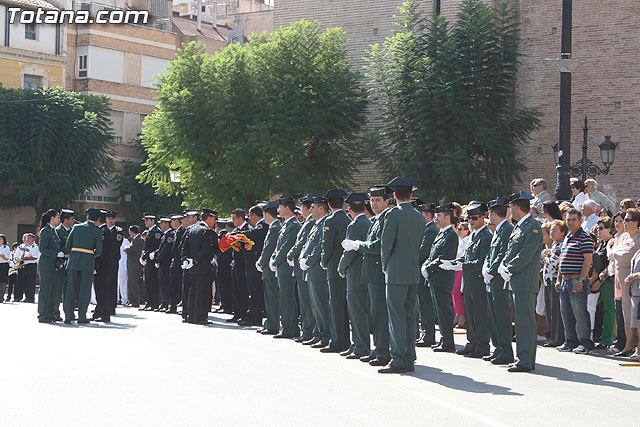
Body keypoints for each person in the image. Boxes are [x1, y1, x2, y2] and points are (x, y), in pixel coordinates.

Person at [371, 177, 425, 374]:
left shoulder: (393, 214)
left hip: (395, 272)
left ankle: (398, 358)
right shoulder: (419, 216)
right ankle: (409, 357)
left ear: (394, 195)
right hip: (412, 271)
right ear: (410, 195)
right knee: (410, 316)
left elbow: (386, 245)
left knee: (396, 317)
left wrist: (385, 265)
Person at [344, 184, 393, 366]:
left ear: (387, 201)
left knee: (380, 314)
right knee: (375, 314)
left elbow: (377, 245)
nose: (374, 203)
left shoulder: (386, 219)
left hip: (379, 273)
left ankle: (383, 351)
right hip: (372, 274)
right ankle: (378, 349)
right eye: (372, 200)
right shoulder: (375, 221)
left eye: (378, 200)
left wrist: (357, 245)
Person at [499, 191, 544, 372]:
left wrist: (509, 268)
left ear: (516, 207)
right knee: (520, 320)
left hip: (524, 281)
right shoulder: (519, 227)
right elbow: (511, 251)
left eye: (510, 208)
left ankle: (525, 360)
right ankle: (523, 358)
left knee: (525, 321)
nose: (510, 211)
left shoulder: (532, 226)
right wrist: (504, 264)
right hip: (517, 280)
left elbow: (526, 253)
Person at [448, 201, 492, 358]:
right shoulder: (473, 235)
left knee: (480, 316)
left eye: (474, 218)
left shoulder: (486, 236)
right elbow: (466, 257)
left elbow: (481, 261)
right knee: (470, 316)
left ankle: (482, 345)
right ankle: (472, 342)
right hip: (468, 282)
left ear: (483, 217)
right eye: (469, 219)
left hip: (478, 282)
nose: (471, 221)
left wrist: (462, 265)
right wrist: (454, 263)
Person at [555, 208, 595, 354]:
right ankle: (570, 341)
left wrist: (581, 279)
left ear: (580, 221)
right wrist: (558, 279)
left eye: (573, 220)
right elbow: (562, 260)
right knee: (566, 313)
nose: (571, 222)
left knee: (580, 313)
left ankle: (585, 342)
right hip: (565, 281)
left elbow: (587, 260)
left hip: (576, 280)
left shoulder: (585, 238)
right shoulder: (567, 237)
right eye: (568, 219)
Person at [337, 192, 372, 359]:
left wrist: (341, 266)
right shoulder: (369, 222)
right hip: (366, 273)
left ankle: (360, 346)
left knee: (357, 313)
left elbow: (349, 251)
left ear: (349, 210)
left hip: (355, 273)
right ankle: (357, 344)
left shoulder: (354, 225)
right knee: (362, 312)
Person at [421, 203, 459, 353]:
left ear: (448, 217)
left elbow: (444, 257)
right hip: (435, 277)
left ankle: (448, 342)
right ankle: (444, 339)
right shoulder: (442, 233)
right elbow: (432, 255)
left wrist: (428, 268)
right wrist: (426, 265)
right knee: (439, 310)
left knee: (444, 311)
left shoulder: (451, 235)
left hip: (442, 278)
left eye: (439, 216)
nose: (436, 219)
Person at [482, 197, 515, 365]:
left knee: (502, 317)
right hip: (492, 280)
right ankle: (498, 348)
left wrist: (491, 270)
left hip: (499, 280)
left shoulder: (507, 229)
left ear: (494, 214)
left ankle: (506, 351)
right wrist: (486, 268)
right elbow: (491, 254)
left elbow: (503, 254)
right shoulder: (499, 230)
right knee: (493, 316)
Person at [319, 189, 351, 353]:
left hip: (333, 267)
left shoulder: (330, 220)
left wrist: (324, 261)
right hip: (346, 266)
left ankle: (338, 341)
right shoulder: (348, 219)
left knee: (336, 305)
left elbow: (327, 245)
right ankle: (345, 340)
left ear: (329, 205)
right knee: (344, 305)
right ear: (343, 203)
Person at [299, 196, 331, 347]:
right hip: (311, 270)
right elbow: (307, 244)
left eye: (313, 207)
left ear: (321, 208)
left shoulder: (325, 223)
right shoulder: (316, 224)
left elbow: (320, 246)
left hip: (318, 269)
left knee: (321, 305)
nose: (310, 209)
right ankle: (318, 333)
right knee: (315, 306)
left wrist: (309, 260)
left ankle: (325, 335)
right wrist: (302, 258)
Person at [63, 208, 103, 324]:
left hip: (73, 261)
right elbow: (99, 251)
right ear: (98, 219)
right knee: (84, 290)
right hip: (87, 262)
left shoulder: (76, 227)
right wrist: (90, 254)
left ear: (87, 217)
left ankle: (68, 316)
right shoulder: (97, 231)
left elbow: (68, 245)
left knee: (70, 289)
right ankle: (81, 316)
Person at [287, 195, 318, 343]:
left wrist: (290, 254)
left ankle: (309, 331)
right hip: (301, 266)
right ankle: (308, 330)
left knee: (307, 302)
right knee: (305, 302)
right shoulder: (307, 222)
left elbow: (301, 243)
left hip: (304, 266)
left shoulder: (311, 222)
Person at [270, 196, 302, 338]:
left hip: (286, 267)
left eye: (280, 207)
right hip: (282, 266)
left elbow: (287, 246)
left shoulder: (294, 225)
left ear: (287, 208)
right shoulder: (286, 225)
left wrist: (275, 261)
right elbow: (279, 246)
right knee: (284, 298)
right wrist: (274, 258)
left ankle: (290, 328)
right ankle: (288, 327)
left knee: (288, 298)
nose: (278, 210)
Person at [610, 207, 640, 356]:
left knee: (635, 314)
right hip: (619, 279)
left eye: (627, 220)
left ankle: (637, 346)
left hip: (634, 281)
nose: (624, 223)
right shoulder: (623, 237)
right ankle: (628, 345)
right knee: (625, 312)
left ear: (636, 222)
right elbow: (613, 256)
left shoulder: (638, 238)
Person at [181, 209, 217, 325]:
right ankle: (200, 317)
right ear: (209, 218)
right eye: (213, 219)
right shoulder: (206, 231)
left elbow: (184, 247)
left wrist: (186, 259)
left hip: (192, 267)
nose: (214, 222)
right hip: (203, 266)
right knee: (202, 292)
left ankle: (191, 316)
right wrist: (196, 260)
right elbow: (206, 249)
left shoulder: (191, 229)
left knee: (193, 291)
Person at [255, 201, 281, 334]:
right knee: (269, 297)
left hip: (270, 268)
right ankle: (270, 323)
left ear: (267, 214)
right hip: (268, 267)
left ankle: (272, 325)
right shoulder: (274, 226)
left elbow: (269, 248)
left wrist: (261, 262)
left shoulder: (275, 227)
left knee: (271, 298)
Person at [416, 203, 438, 347]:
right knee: (422, 305)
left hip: (424, 272)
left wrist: (410, 259)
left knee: (425, 305)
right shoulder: (425, 229)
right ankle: (425, 333)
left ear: (428, 215)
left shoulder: (430, 230)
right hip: (420, 271)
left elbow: (423, 251)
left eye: (422, 214)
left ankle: (428, 334)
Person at [542, 220, 567, 348]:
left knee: (556, 312)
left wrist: (545, 257)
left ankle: (557, 338)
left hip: (554, 282)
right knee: (550, 311)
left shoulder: (560, 246)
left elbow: (552, 263)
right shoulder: (553, 246)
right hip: (548, 282)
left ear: (562, 233)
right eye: (551, 230)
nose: (551, 232)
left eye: (555, 230)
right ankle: (552, 337)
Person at [593, 216, 616, 349]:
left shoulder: (611, 243)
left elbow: (611, 263)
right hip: (598, 280)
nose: (598, 231)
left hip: (606, 280)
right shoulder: (601, 244)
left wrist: (601, 279)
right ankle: (600, 336)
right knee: (596, 308)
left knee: (609, 309)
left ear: (609, 229)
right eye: (597, 228)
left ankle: (607, 340)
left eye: (601, 228)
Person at [242, 206, 266, 326]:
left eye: (250, 215)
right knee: (256, 291)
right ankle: (256, 316)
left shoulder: (262, 225)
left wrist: (239, 234)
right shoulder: (260, 226)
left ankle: (253, 317)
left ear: (255, 215)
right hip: (255, 261)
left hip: (256, 262)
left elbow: (252, 234)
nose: (249, 218)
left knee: (254, 290)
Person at [36, 209, 62, 323]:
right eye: (57, 217)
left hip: (52, 264)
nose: (59, 219)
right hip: (46, 264)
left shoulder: (53, 230)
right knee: (45, 290)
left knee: (52, 290)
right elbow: (42, 248)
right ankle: (43, 314)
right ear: (52, 218)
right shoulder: (46, 230)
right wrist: (56, 254)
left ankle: (50, 313)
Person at [227, 209, 250, 323]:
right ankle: (237, 313)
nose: (233, 221)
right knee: (235, 289)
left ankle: (244, 313)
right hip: (235, 263)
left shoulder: (248, 229)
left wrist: (240, 243)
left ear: (241, 218)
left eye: (234, 219)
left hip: (243, 263)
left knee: (243, 289)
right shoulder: (236, 230)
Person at [53, 209, 75, 320]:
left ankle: (69, 313)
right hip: (61, 262)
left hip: (71, 262)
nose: (74, 221)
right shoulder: (57, 231)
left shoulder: (74, 230)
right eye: (72, 219)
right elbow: (57, 246)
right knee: (58, 289)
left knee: (70, 289)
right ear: (66, 220)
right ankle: (55, 312)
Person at [93, 210, 113, 322]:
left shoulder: (103, 232)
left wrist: (96, 265)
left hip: (103, 266)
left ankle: (104, 315)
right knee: (100, 290)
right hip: (105, 265)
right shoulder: (104, 230)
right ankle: (99, 312)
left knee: (102, 291)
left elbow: (101, 252)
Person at [140, 213, 162, 311]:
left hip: (152, 260)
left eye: (147, 220)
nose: (145, 222)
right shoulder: (150, 232)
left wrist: (146, 255)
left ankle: (154, 303)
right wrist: (143, 255)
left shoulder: (157, 232)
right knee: (148, 282)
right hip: (148, 260)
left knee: (153, 282)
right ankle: (149, 302)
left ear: (153, 220)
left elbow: (154, 246)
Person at [154, 217, 175, 312]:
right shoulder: (165, 235)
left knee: (166, 283)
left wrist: (158, 259)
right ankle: (163, 302)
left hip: (166, 263)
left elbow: (166, 249)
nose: (160, 225)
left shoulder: (170, 234)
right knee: (162, 283)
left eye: (162, 223)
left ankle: (167, 303)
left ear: (167, 223)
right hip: (162, 263)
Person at [105, 211, 123, 316]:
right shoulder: (102, 229)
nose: (110, 220)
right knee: (103, 283)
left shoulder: (118, 231)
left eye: (112, 218)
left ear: (115, 219)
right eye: (109, 218)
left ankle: (112, 307)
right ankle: (103, 306)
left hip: (112, 260)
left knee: (112, 283)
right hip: (103, 260)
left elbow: (116, 244)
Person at [623, 249, 640, 360]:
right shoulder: (638, 252)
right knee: (637, 323)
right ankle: (638, 349)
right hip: (635, 291)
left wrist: (634, 276)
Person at [453, 220, 469, 328]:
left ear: (467, 231)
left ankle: (462, 316)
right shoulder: (459, 241)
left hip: (461, 270)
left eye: (460, 229)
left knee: (457, 292)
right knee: (454, 293)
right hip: (455, 269)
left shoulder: (467, 241)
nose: (458, 231)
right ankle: (457, 315)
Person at [168, 214, 186, 314]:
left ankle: (182, 306)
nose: (171, 223)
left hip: (179, 261)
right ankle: (173, 306)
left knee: (180, 285)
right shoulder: (177, 231)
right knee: (173, 285)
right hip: (175, 261)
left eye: (173, 220)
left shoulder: (182, 231)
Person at [15, 233, 40, 303]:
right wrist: (18, 260)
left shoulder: (33, 246)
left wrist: (25, 258)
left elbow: (35, 257)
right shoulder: (22, 246)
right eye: (27, 238)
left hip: (30, 266)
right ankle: (19, 297)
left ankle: (30, 298)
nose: (27, 239)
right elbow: (16, 255)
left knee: (30, 282)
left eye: (29, 238)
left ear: (33, 239)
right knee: (22, 282)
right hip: (22, 265)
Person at [124, 225, 144, 308]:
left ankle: (135, 301)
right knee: (131, 282)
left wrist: (126, 247)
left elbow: (129, 249)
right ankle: (131, 300)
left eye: (130, 232)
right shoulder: (136, 239)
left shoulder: (138, 240)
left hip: (135, 265)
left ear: (132, 232)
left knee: (133, 283)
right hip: (132, 264)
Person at [0, 235, 11, 302]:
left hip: (3, 265)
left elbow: (7, 258)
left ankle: (1, 296)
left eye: (0, 239)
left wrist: (1, 255)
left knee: (3, 281)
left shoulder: (6, 247)